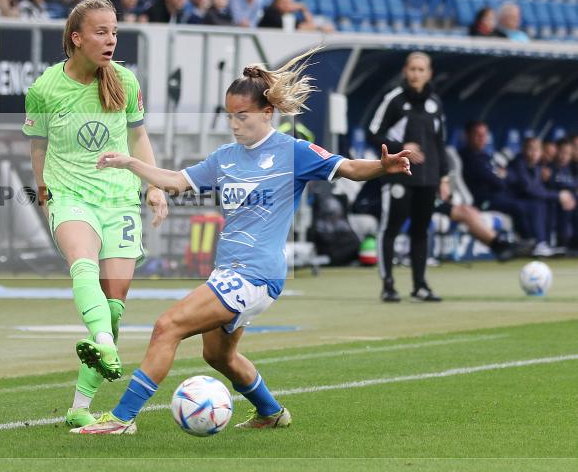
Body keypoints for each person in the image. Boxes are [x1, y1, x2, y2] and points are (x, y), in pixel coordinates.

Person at [73, 60, 413, 435]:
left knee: (167, 326)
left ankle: (121, 419)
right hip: (228, 272)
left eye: (243, 116)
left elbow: (347, 167)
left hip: (256, 273)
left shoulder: (293, 151)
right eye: (229, 116)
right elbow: (176, 181)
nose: (235, 124)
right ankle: (271, 412)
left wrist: (382, 167)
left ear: (268, 113)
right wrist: (130, 162)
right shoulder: (225, 158)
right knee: (218, 355)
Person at [22, 0, 168, 428]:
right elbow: (38, 146)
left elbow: (138, 138)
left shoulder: (124, 80)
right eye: (102, 32)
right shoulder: (44, 89)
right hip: (71, 196)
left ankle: (79, 407)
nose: (110, 40)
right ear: (77, 38)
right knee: (82, 266)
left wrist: (154, 185)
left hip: (119, 199)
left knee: (115, 305)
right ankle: (103, 341)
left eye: (115, 32)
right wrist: (43, 187)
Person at [367, 52, 448, 303]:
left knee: (421, 232)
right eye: (412, 69)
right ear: (405, 71)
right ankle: (388, 285)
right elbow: (372, 132)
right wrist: (401, 145)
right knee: (390, 228)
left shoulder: (435, 103)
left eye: (421, 69)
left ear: (429, 73)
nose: (416, 74)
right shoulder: (393, 100)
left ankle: (420, 285)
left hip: (427, 179)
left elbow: (439, 142)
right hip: (398, 177)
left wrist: (443, 177)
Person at [459, 121, 549, 255]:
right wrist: (502, 177)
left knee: (535, 203)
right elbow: (496, 181)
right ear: (467, 136)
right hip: (484, 201)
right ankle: (531, 243)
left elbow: (511, 176)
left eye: (484, 135)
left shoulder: (486, 155)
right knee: (520, 206)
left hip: (499, 197)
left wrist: (503, 176)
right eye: (477, 135)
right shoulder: (468, 157)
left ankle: (538, 243)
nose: (482, 138)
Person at [508, 136, 575, 255]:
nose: (533, 153)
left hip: (527, 201)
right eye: (530, 149)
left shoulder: (538, 167)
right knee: (538, 203)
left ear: (541, 152)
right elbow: (529, 190)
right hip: (513, 200)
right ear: (523, 150)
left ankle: (557, 243)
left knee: (551, 202)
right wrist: (558, 195)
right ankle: (540, 243)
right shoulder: (518, 164)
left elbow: (541, 189)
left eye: (536, 150)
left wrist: (561, 196)